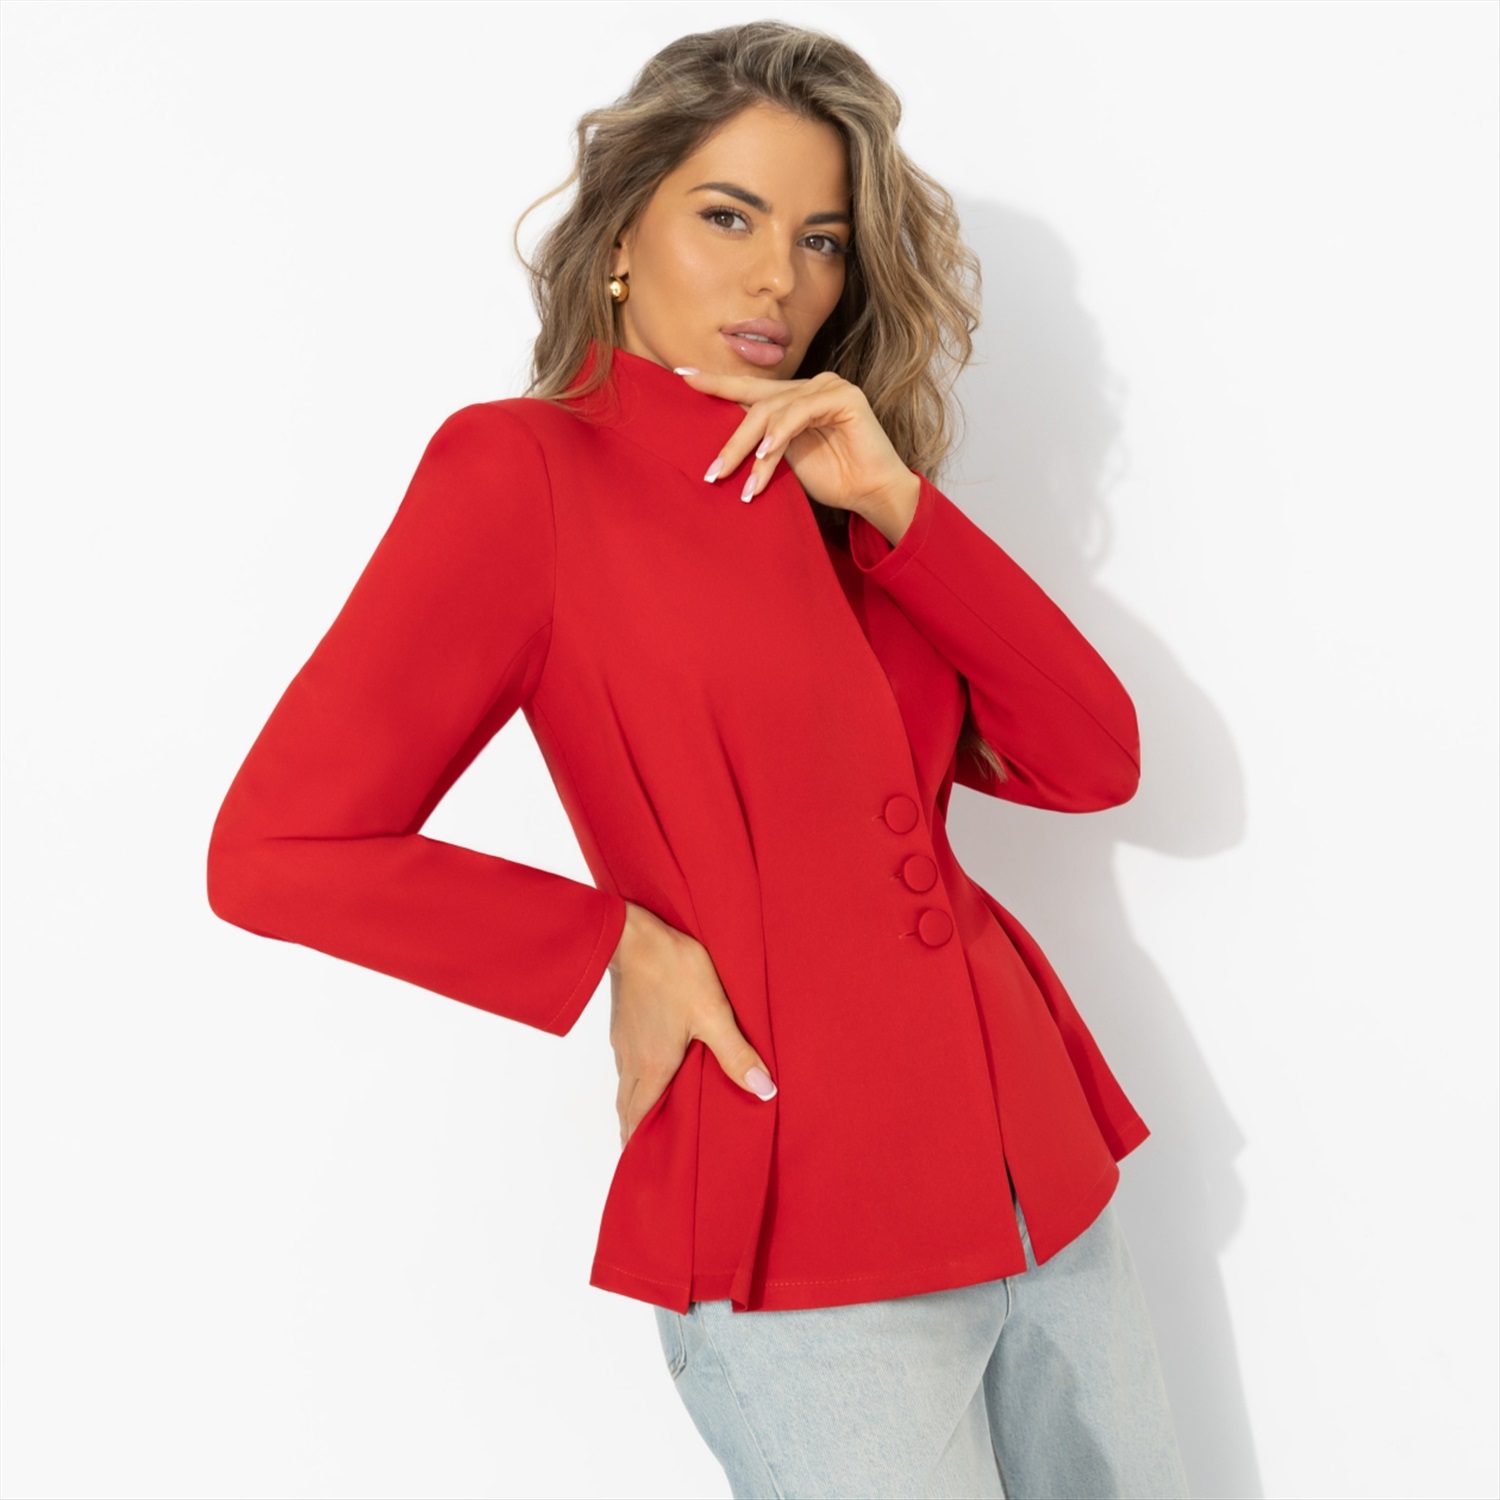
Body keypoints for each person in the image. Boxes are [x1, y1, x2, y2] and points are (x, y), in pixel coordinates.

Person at [206, 19, 1189, 1499]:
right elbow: (275, 851)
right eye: (728, 217)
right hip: (800, 1227)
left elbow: (1092, 760)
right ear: (620, 235)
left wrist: (898, 502)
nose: (777, 279)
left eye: (820, 240)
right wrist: (615, 945)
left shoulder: (840, 479)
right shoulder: (522, 472)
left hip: (1040, 1175)